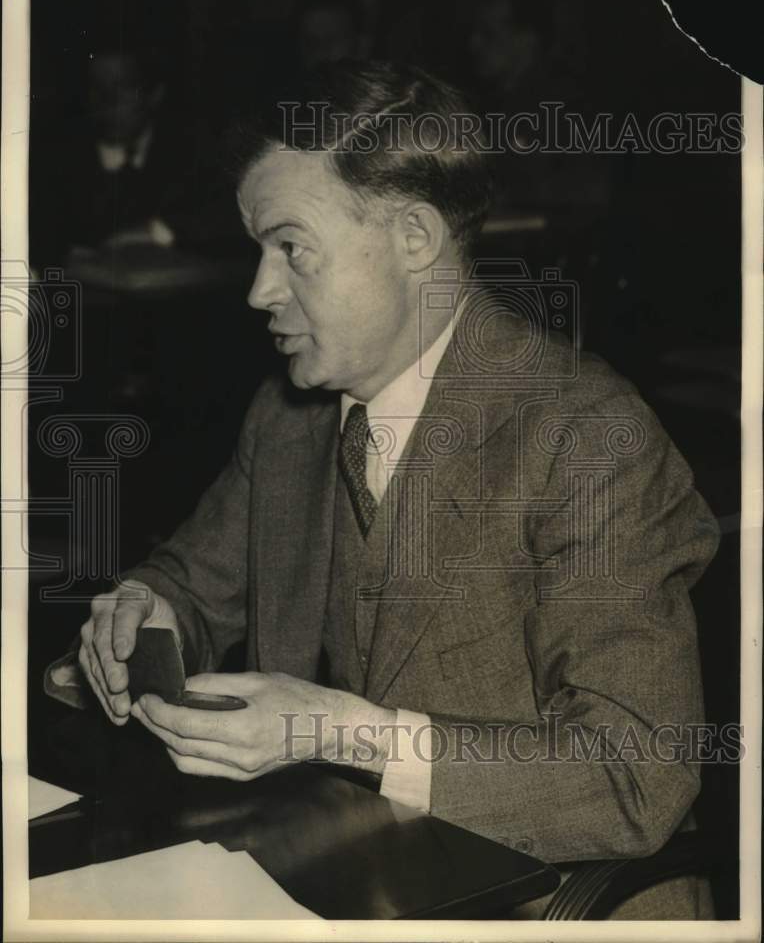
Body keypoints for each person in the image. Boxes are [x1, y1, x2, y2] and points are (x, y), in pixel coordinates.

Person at [51, 60, 719, 919]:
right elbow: (189, 581)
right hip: (361, 882)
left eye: (291, 248)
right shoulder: (289, 417)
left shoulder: (588, 437)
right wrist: (145, 614)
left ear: (413, 238)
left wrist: (335, 731)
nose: (259, 290)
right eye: (258, 251)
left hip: (548, 907)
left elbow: (636, 775)